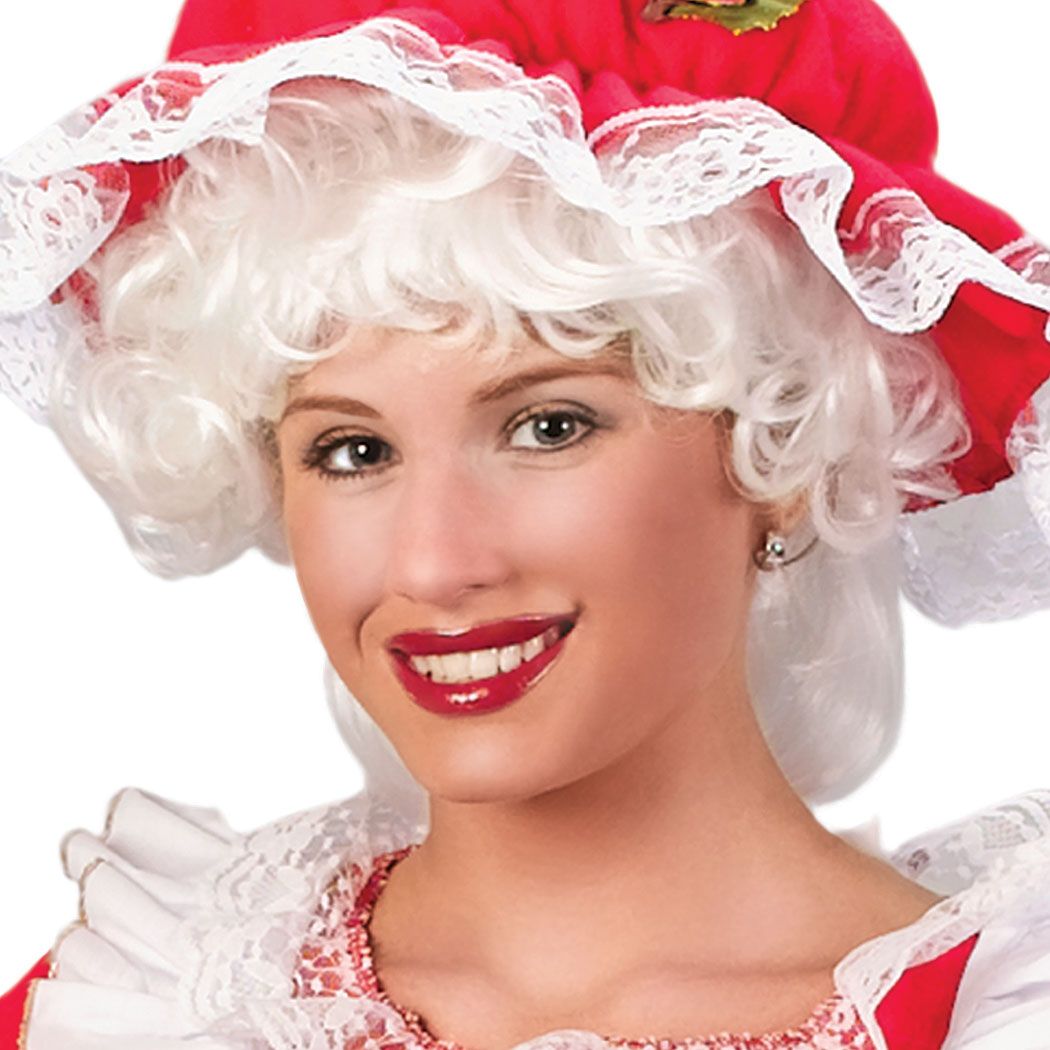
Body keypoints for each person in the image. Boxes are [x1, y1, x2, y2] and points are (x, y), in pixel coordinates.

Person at [2, 1, 1050, 1047]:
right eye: (353, 451)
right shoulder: (137, 1008)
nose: (433, 564)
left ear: (783, 446)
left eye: (550, 427)